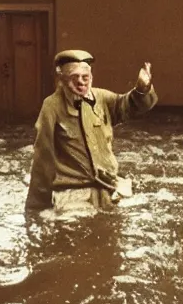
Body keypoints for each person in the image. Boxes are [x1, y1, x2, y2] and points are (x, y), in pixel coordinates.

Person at [25, 49, 158, 214]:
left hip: (108, 185)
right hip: (73, 190)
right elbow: (43, 156)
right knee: (73, 230)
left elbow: (129, 106)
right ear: (62, 79)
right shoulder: (51, 106)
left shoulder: (101, 98)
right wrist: (36, 207)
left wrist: (141, 89)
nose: (81, 82)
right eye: (75, 77)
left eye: (85, 77)